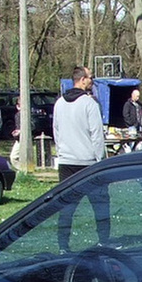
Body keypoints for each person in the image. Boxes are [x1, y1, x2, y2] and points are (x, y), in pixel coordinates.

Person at [53, 66, 109, 248]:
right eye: (90, 78)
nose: (92, 81)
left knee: (66, 207)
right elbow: (97, 135)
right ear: (82, 80)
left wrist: (62, 151)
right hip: (88, 163)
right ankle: (103, 241)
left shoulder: (59, 103)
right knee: (100, 205)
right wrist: (100, 161)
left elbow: (56, 132)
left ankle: (63, 244)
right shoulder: (89, 104)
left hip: (66, 162)